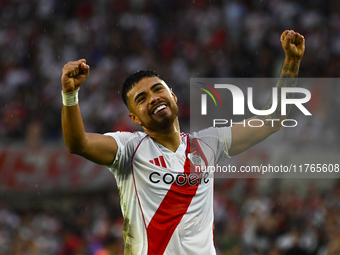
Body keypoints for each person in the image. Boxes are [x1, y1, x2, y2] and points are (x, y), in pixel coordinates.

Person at [61, 30, 305, 255]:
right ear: (134, 117)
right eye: (142, 98)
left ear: (173, 96)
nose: (154, 98)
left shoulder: (210, 142)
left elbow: (271, 120)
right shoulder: (129, 148)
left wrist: (292, 62)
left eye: (158, 90)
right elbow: (78, 144)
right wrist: (70, 96)